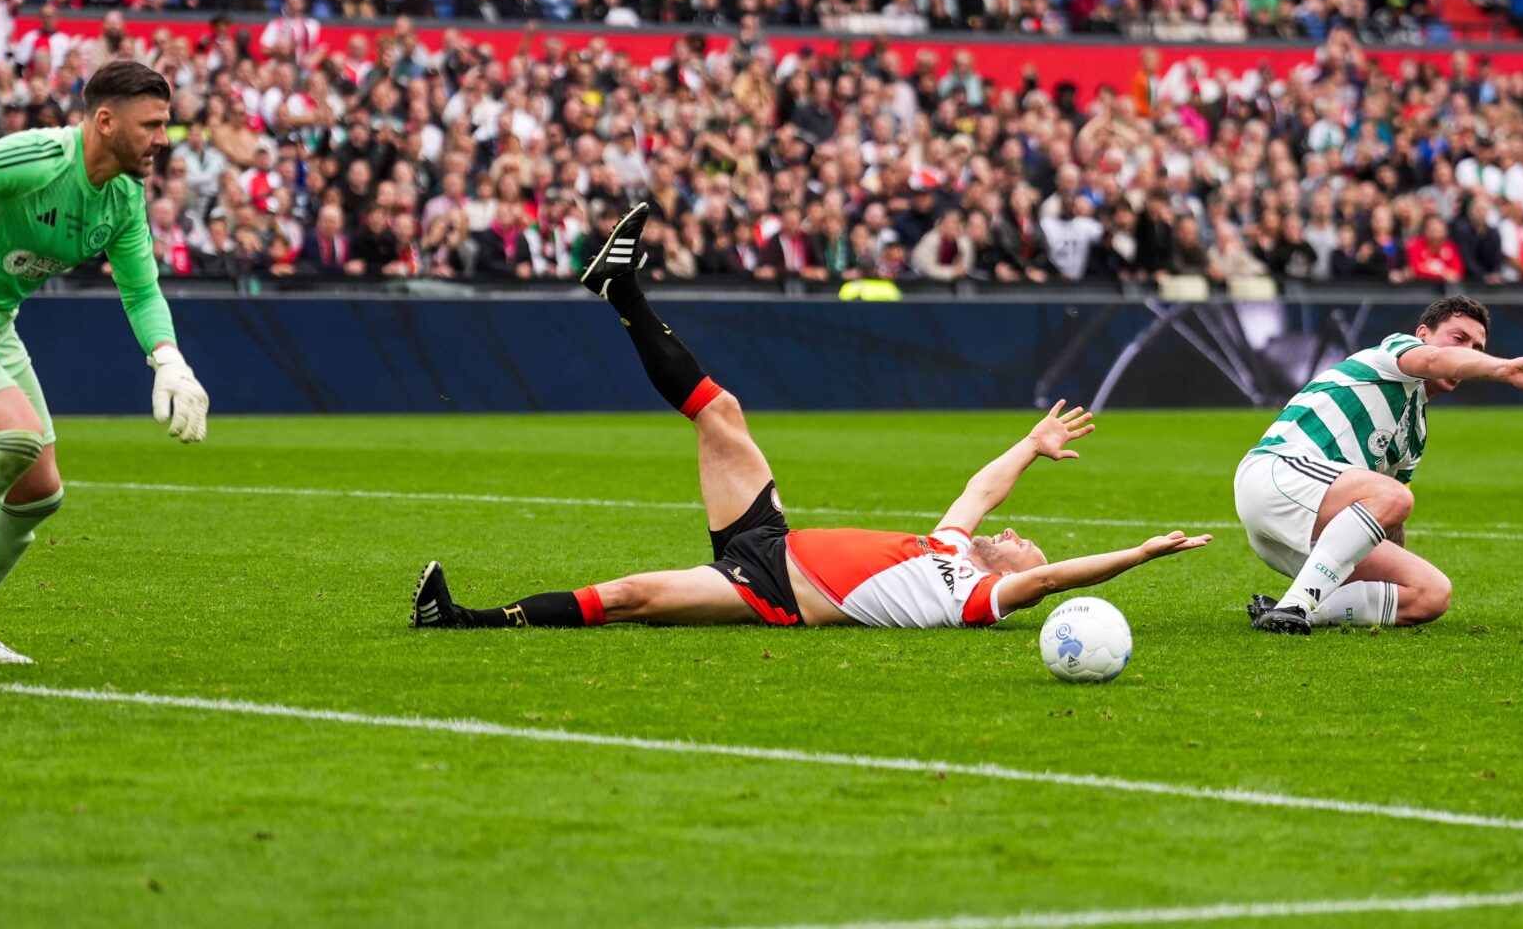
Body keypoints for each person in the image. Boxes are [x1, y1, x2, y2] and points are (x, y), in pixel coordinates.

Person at [411, 204, 1209, 631]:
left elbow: (1056, 576)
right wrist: (1032, 445)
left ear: (1013, 577)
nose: (1017, 537)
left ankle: (464, 620)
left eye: (1022, 549)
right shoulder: (949, 550)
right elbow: (981, 491)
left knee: (630, 597)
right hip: (771, 537)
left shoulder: (976, 600)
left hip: (767, 589)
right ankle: (621, 291)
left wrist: (1136, 555)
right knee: (721, 412)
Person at [0, 60, 211, 664]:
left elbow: (141, 289)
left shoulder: (124, 198)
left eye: (167, 124)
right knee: (16, 438)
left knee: (40, 491)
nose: (164, 139)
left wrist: (169, 361)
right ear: (105, 121)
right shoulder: (39, 158)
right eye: (152, 124)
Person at [1235, 296, 1523, 635]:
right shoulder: (1396, 352)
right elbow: (1436, 360)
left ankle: (1295, 611)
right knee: (1395, 496)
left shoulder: (1416, 433)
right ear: (1423, 334)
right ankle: (1298, 603)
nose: (1470, 351)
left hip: (1307, 524)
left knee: (1430, 593)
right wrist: (1502, 369)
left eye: (1478, 346)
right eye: (1460, 339)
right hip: (1276, 476)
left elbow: (1388, 526)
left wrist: (1389, 575)